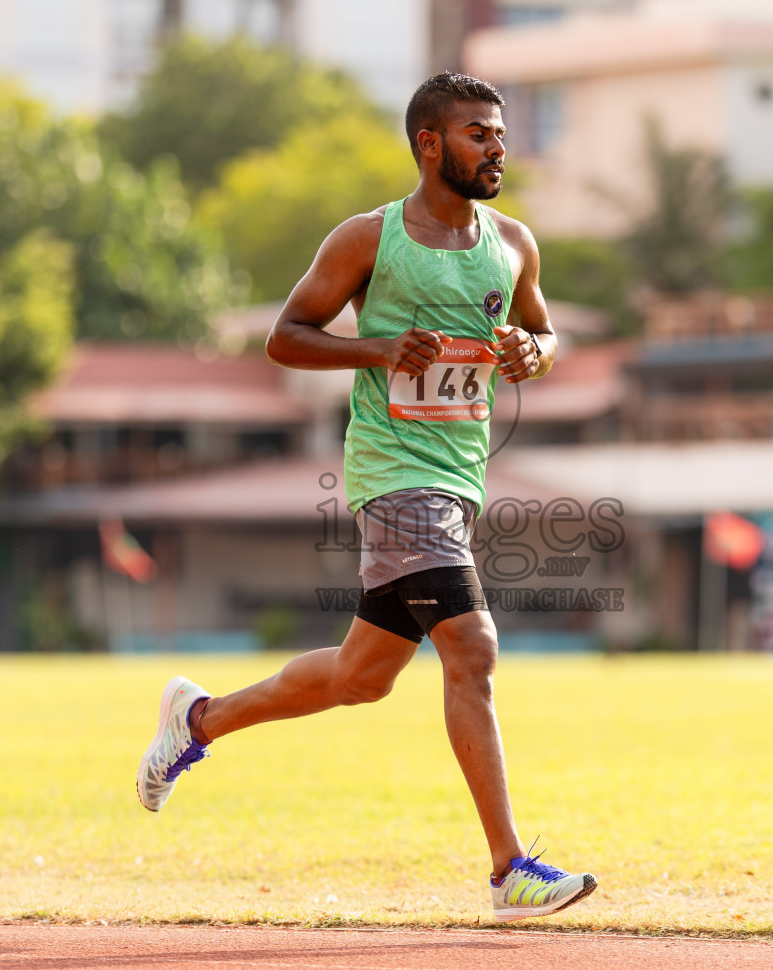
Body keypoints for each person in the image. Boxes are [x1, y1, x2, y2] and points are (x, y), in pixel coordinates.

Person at [135, 72, 596, 922]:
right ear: (430, 145)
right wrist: (381, 350)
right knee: (474, 647)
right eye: (477, 134)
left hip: (459, 483)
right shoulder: (368, 239)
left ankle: (195, 722)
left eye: (499, 133)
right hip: (394, 477)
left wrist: (537, 353)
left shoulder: (513, 242)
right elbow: (285, 339)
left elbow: (541, 330)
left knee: (360, 678)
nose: (498, 148)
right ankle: (509, 871)